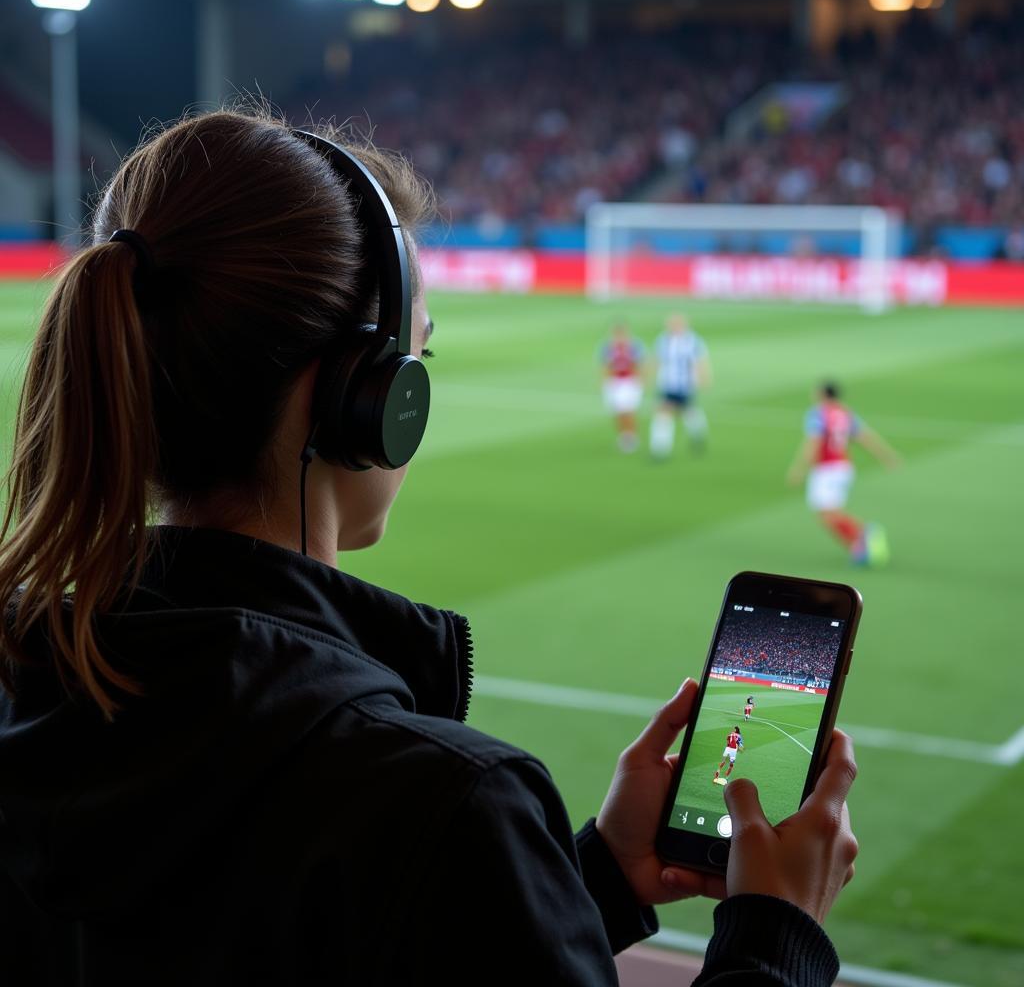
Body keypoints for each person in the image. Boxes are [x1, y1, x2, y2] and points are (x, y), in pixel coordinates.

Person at [0, 110, 859, 986]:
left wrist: (585, 883)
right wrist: (775, 935)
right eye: (419, 357)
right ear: (365, 397)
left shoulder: (26, 694)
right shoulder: (439, 802)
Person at [786, 381, 901, 566]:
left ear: (822, 394)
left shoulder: (818, 413)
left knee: (827, 513)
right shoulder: (845, 413)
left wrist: (799, 467)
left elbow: (813, 442)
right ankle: (859, 547)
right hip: (843, 467)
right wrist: (886, 456)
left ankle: (864, 534)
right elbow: (864, 437)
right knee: (827, 512)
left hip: (826, 469)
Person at [649, 313, 711, 459]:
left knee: (688, 412)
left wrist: (703, 378)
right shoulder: (663, 340)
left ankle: (697, 433)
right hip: (667, 383)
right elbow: (656, 359)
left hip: (685, 384)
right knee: (664, 414)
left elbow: (700, 361)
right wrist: (650, 376)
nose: (673, 326)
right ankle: (660, 449)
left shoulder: (693, 341)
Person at [599, 322, 645, 452]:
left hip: (629, 382)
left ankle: (632, 436)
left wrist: (640, 380)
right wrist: (605, 381)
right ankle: (623, 436)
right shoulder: (608, 347)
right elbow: (605, 365)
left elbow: (639, 364)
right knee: (618, 411)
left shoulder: (634, 346)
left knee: (629, 410)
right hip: (615, 382)